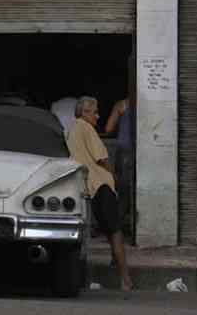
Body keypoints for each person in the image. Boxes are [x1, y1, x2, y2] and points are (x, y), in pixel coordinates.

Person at [66, 96, 134, 291]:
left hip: (86, 187)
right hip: (101, 185)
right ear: (85, 112)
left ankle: (108, 266)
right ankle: (125, 279)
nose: (98, 116)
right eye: (95, 112)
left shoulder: (71, 130)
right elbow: (102, 158)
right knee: (115, 231)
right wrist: (114, 178)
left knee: (100, 230)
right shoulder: (87, 128)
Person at [104, 98, 133, 235]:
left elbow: (108, 128)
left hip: (124, 151)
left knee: (122, 190)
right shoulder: (151, 103)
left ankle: (116, 226)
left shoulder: (122, 104)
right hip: (144, 149)